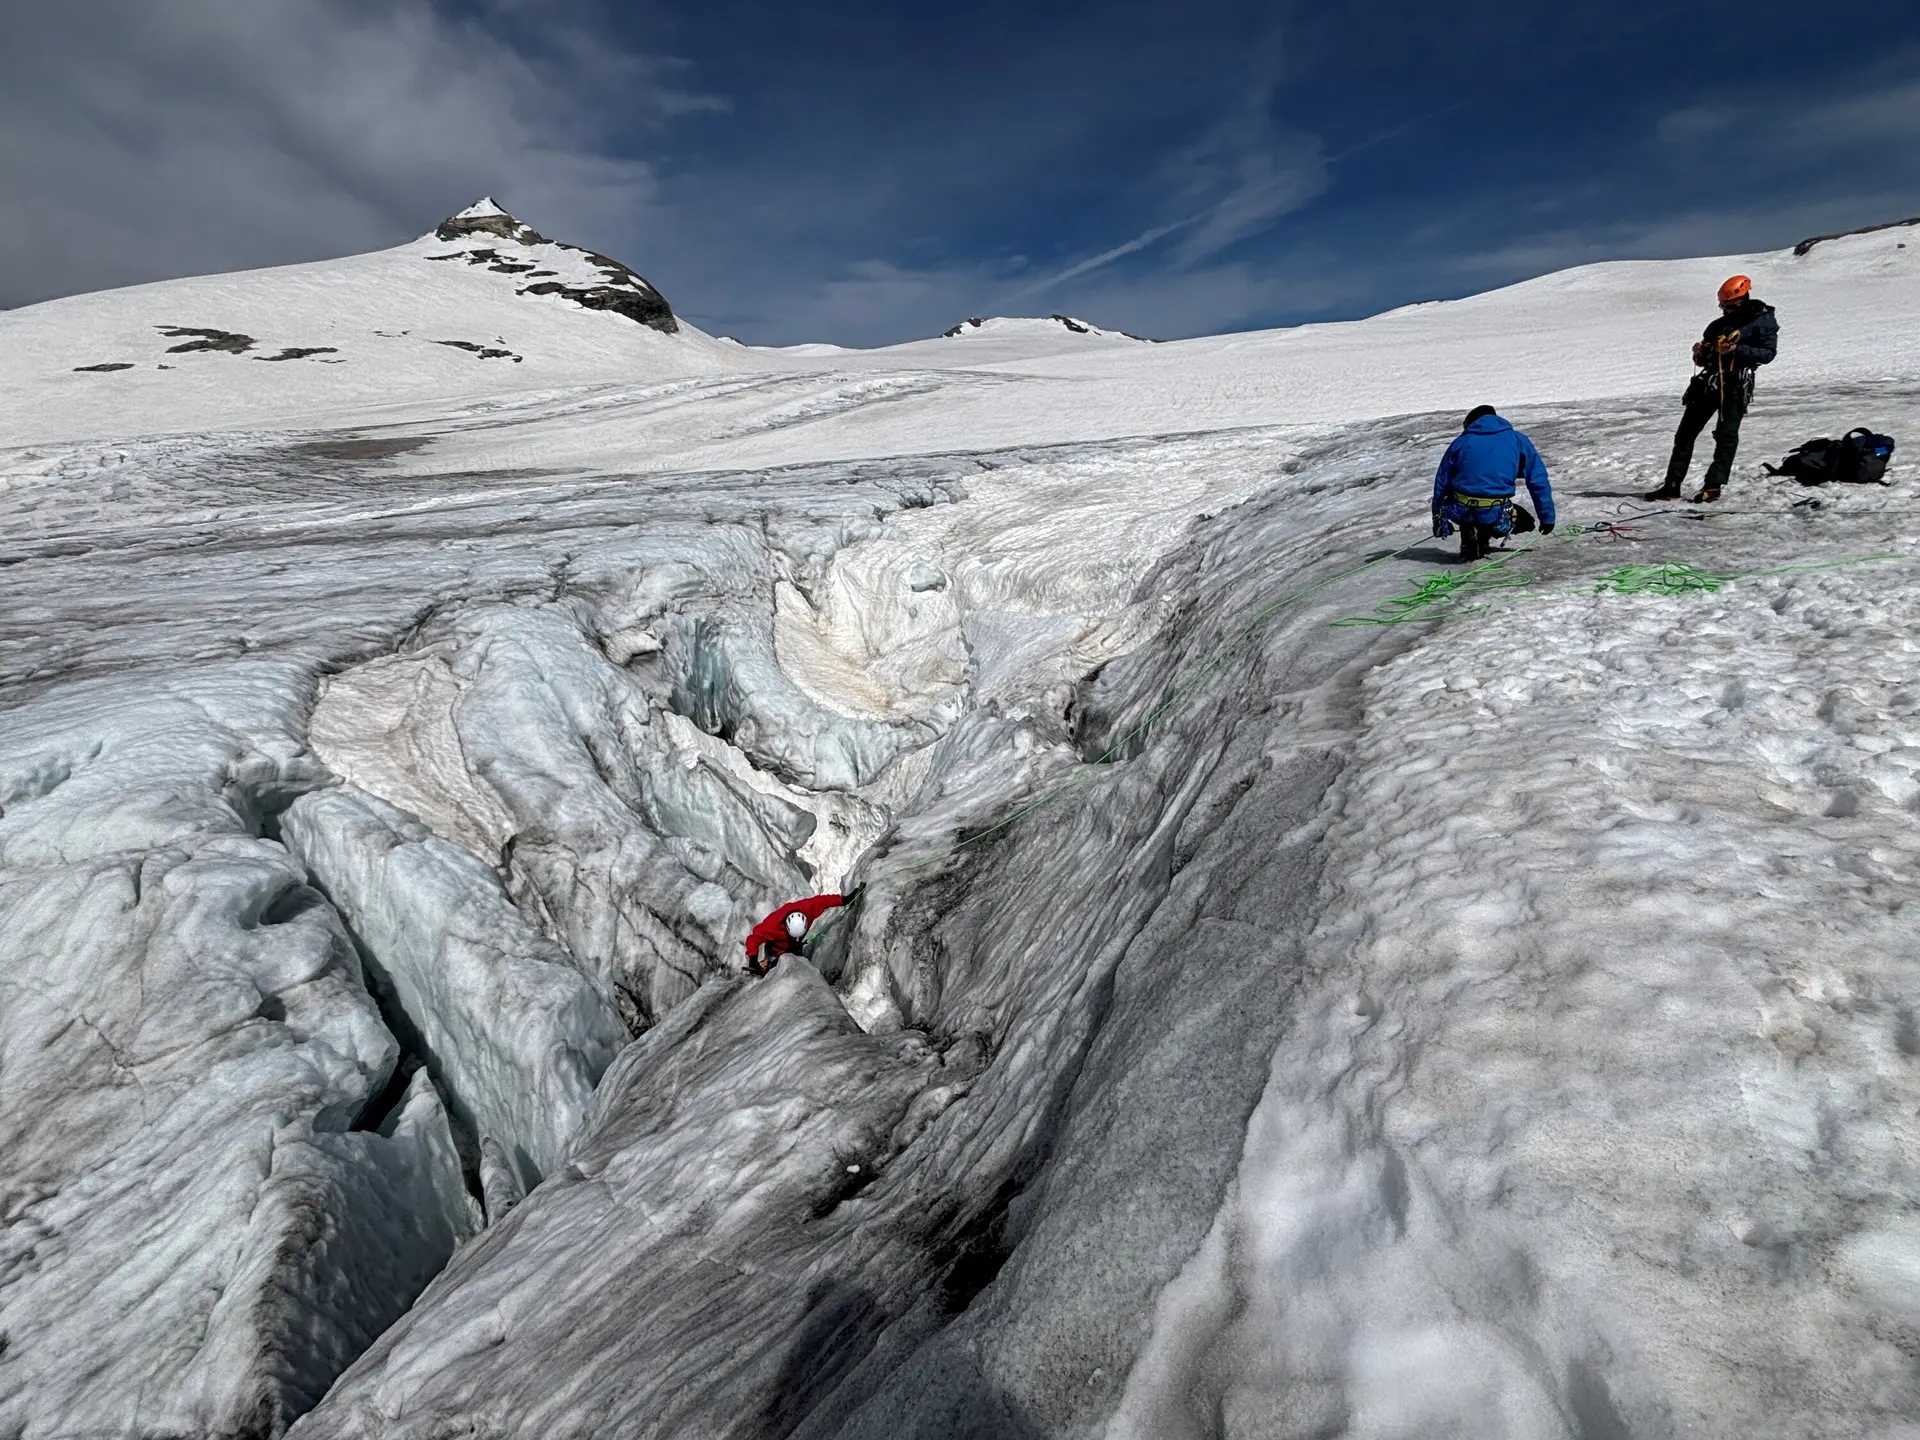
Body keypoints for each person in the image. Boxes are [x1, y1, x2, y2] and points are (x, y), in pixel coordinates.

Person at [1645, 275, 1778, 503]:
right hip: (1710, 383)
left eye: (1730, 305)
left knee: (1726, 435)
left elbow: (1768, 354)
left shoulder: (1761, 321)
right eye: (1723, 305)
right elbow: (1705, 360)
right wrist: (1702, 353)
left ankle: (1713, 486)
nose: (1726, 309)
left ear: (1743, 299)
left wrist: (1737, 349)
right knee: (1685, 434)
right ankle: (1672, 484)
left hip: (1736, 383)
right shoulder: (1717, 326)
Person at [1431, 406, 1556, 561]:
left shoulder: (1460, 442)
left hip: (1460, 509)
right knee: (1525, 522)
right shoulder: (1518, 440)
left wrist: (1437, 518)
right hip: (1496, 509)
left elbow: (1441, 483)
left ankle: (1471, 539)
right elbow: (1538, 480)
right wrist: (1547, 518)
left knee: (1466, 501)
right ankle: (1483, 536)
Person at [742, 892, 847, 976]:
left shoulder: (807, 909)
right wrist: (753, 959)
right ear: (786, 927)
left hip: (795, 947)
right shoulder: (773, 924)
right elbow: (753, 938)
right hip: (775, 950)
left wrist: (842, 900)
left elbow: (823, 901)